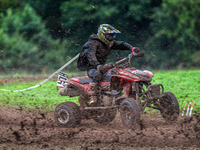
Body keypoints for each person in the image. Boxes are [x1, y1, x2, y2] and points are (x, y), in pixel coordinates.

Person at [77, 24, 139, 105]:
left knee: (117, 72)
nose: (112, 38)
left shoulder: (108, 43)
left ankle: (115, 93)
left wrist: (132, 48)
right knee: (97, 74)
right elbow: (90, 55)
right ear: (103, 35)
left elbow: (121, 44)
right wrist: (97, 65)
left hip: (102, 67)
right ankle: (93, 96)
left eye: (113, 36)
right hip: (92, 68)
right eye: (110, 36)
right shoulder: (92, 43)